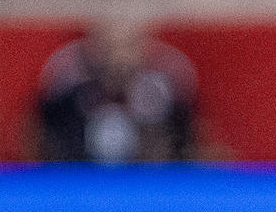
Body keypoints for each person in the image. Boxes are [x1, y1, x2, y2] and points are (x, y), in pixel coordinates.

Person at [32, 18, 199, 164]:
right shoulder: (67, 89)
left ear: (144, 48)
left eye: (128, 46)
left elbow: (190, 144)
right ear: (93, 47)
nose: (119, 58)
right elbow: (38, 141)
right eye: (109, 47)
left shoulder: (167, 90)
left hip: (149, 184)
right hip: (79, 183)